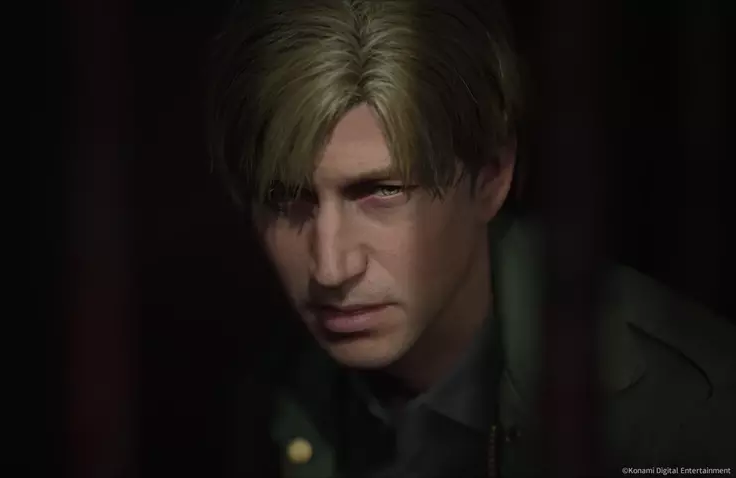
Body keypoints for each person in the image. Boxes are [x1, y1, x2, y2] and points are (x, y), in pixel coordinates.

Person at [204, 0, 736, 476]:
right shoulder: (262, 391)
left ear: (491, 177)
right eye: (283, 198)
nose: (330, 267)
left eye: (383, 191)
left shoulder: (685, 412)